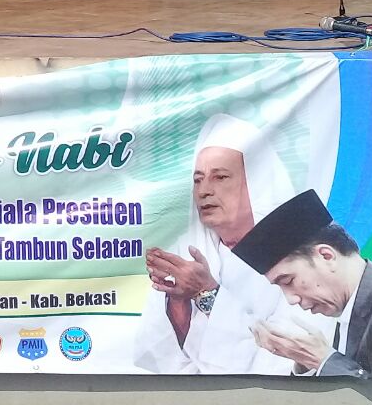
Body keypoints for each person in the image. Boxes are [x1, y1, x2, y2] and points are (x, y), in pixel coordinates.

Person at [135, 115, 325, 374]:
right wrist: (178, 303)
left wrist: (206, 294)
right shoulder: (184, 254)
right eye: (198, 179)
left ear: (257, 182)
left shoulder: (300, 257)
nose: (204, 191)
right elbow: (154, 357)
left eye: (220, 177)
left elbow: (285, 361)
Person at [232, 189, 372, 380]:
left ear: (326, 256)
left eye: (288, 281)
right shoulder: (351, 308)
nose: (290, 299)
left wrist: (323, 361)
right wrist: (305, 364)